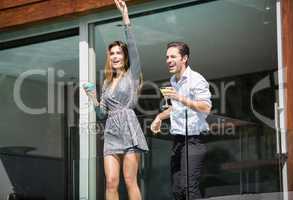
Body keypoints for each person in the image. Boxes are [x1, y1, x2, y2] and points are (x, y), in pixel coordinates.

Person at [83, 0, 148, 199]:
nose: (115, 56)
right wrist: (93, 98)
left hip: (129, 129)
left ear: (125, 57)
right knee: (111, 182)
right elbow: (102, 114)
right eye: (112, 54)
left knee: (130, 181)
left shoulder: (132, 74)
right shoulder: (106, 83)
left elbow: (134, 47)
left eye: (119, 53)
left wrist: (125, 17)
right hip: (111, 132)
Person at [151, 42, 212, 200]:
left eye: (173, 56)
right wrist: (159, 117)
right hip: (178, 141)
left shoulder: (196, 79)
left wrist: (179, 98)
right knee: (178, 189)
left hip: (194, 140)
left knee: (189, 187)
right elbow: (176, 108)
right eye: (167, 57)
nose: (168, 60)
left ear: (184, 58)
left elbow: (206, 107)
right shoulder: (173, 81)